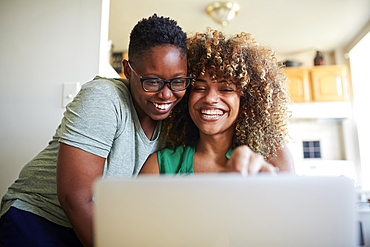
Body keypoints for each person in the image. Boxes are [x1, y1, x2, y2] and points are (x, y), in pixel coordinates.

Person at [0, 14, 190, 247]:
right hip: (37, 217)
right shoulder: (104, 97)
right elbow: (75, 199)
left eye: (178, 82)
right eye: (152, 81)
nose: (166, 94)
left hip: (94, 227)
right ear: (128, 71)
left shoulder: (175, 122)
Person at [140, 29, 294, 175]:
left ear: (246, 99)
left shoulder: (273, 155)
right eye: (199, 88)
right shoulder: (159, 166)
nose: (209, 98)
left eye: (226, 89)